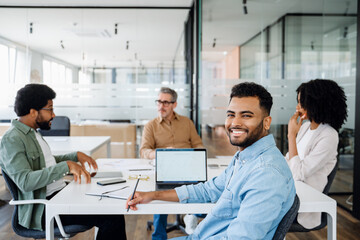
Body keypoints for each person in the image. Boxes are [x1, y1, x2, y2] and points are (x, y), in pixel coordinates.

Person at [127, 82, 296, 239]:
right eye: (231, 115)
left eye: (246, 115)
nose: (235, 123)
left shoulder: (266, 174)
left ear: (266, 123)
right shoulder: (244, 158)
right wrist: (153, 195)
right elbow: (208, 190)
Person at [0, 84, 126, 240]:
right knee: (111, 217)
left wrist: (74, 156)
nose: (53, 115)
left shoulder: (32, 133)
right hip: (45, 208)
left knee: (111, 206)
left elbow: (47, 164)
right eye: (50, 109)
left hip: (60, 196)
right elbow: (25, 182)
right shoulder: (12, 139)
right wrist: (66, 166)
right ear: (33, 112)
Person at [140, 87, 204, 239]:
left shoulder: (187, 123)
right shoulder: (151, 125)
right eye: (159, 102)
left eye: (165, 102)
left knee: (202, 190)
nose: (161, 106)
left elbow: (198, 145)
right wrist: (161, 154)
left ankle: (192, 215)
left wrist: (195, 156)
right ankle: (159, 236)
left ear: (174, 104)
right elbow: (144, 151)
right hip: (164, 167)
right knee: (160, 195)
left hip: (187, 167)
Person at [286, 79, 347, 229]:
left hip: (302, 203)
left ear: (315, 104)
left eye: (302, 102)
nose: (297, 107)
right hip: (288, 191)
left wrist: (291, 136)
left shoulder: (329, 135)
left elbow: (297, 173)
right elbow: (287, 160)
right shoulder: (306, 127)